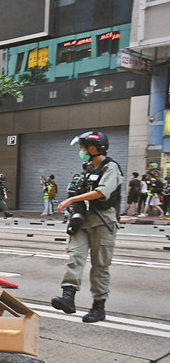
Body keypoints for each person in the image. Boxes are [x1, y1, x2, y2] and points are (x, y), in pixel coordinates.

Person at [52, 131, 123, 323]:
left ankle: (98, 307)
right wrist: (74, 204)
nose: (81, 151)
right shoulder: (88, 169)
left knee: (100, 265)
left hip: (103, 221)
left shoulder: (111, 168)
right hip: (83, 220)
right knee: (75, 256)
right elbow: (79, 190)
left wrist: (71, 199)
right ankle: (68, 297)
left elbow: (102, 192)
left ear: (94, 148)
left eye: (83, 148)